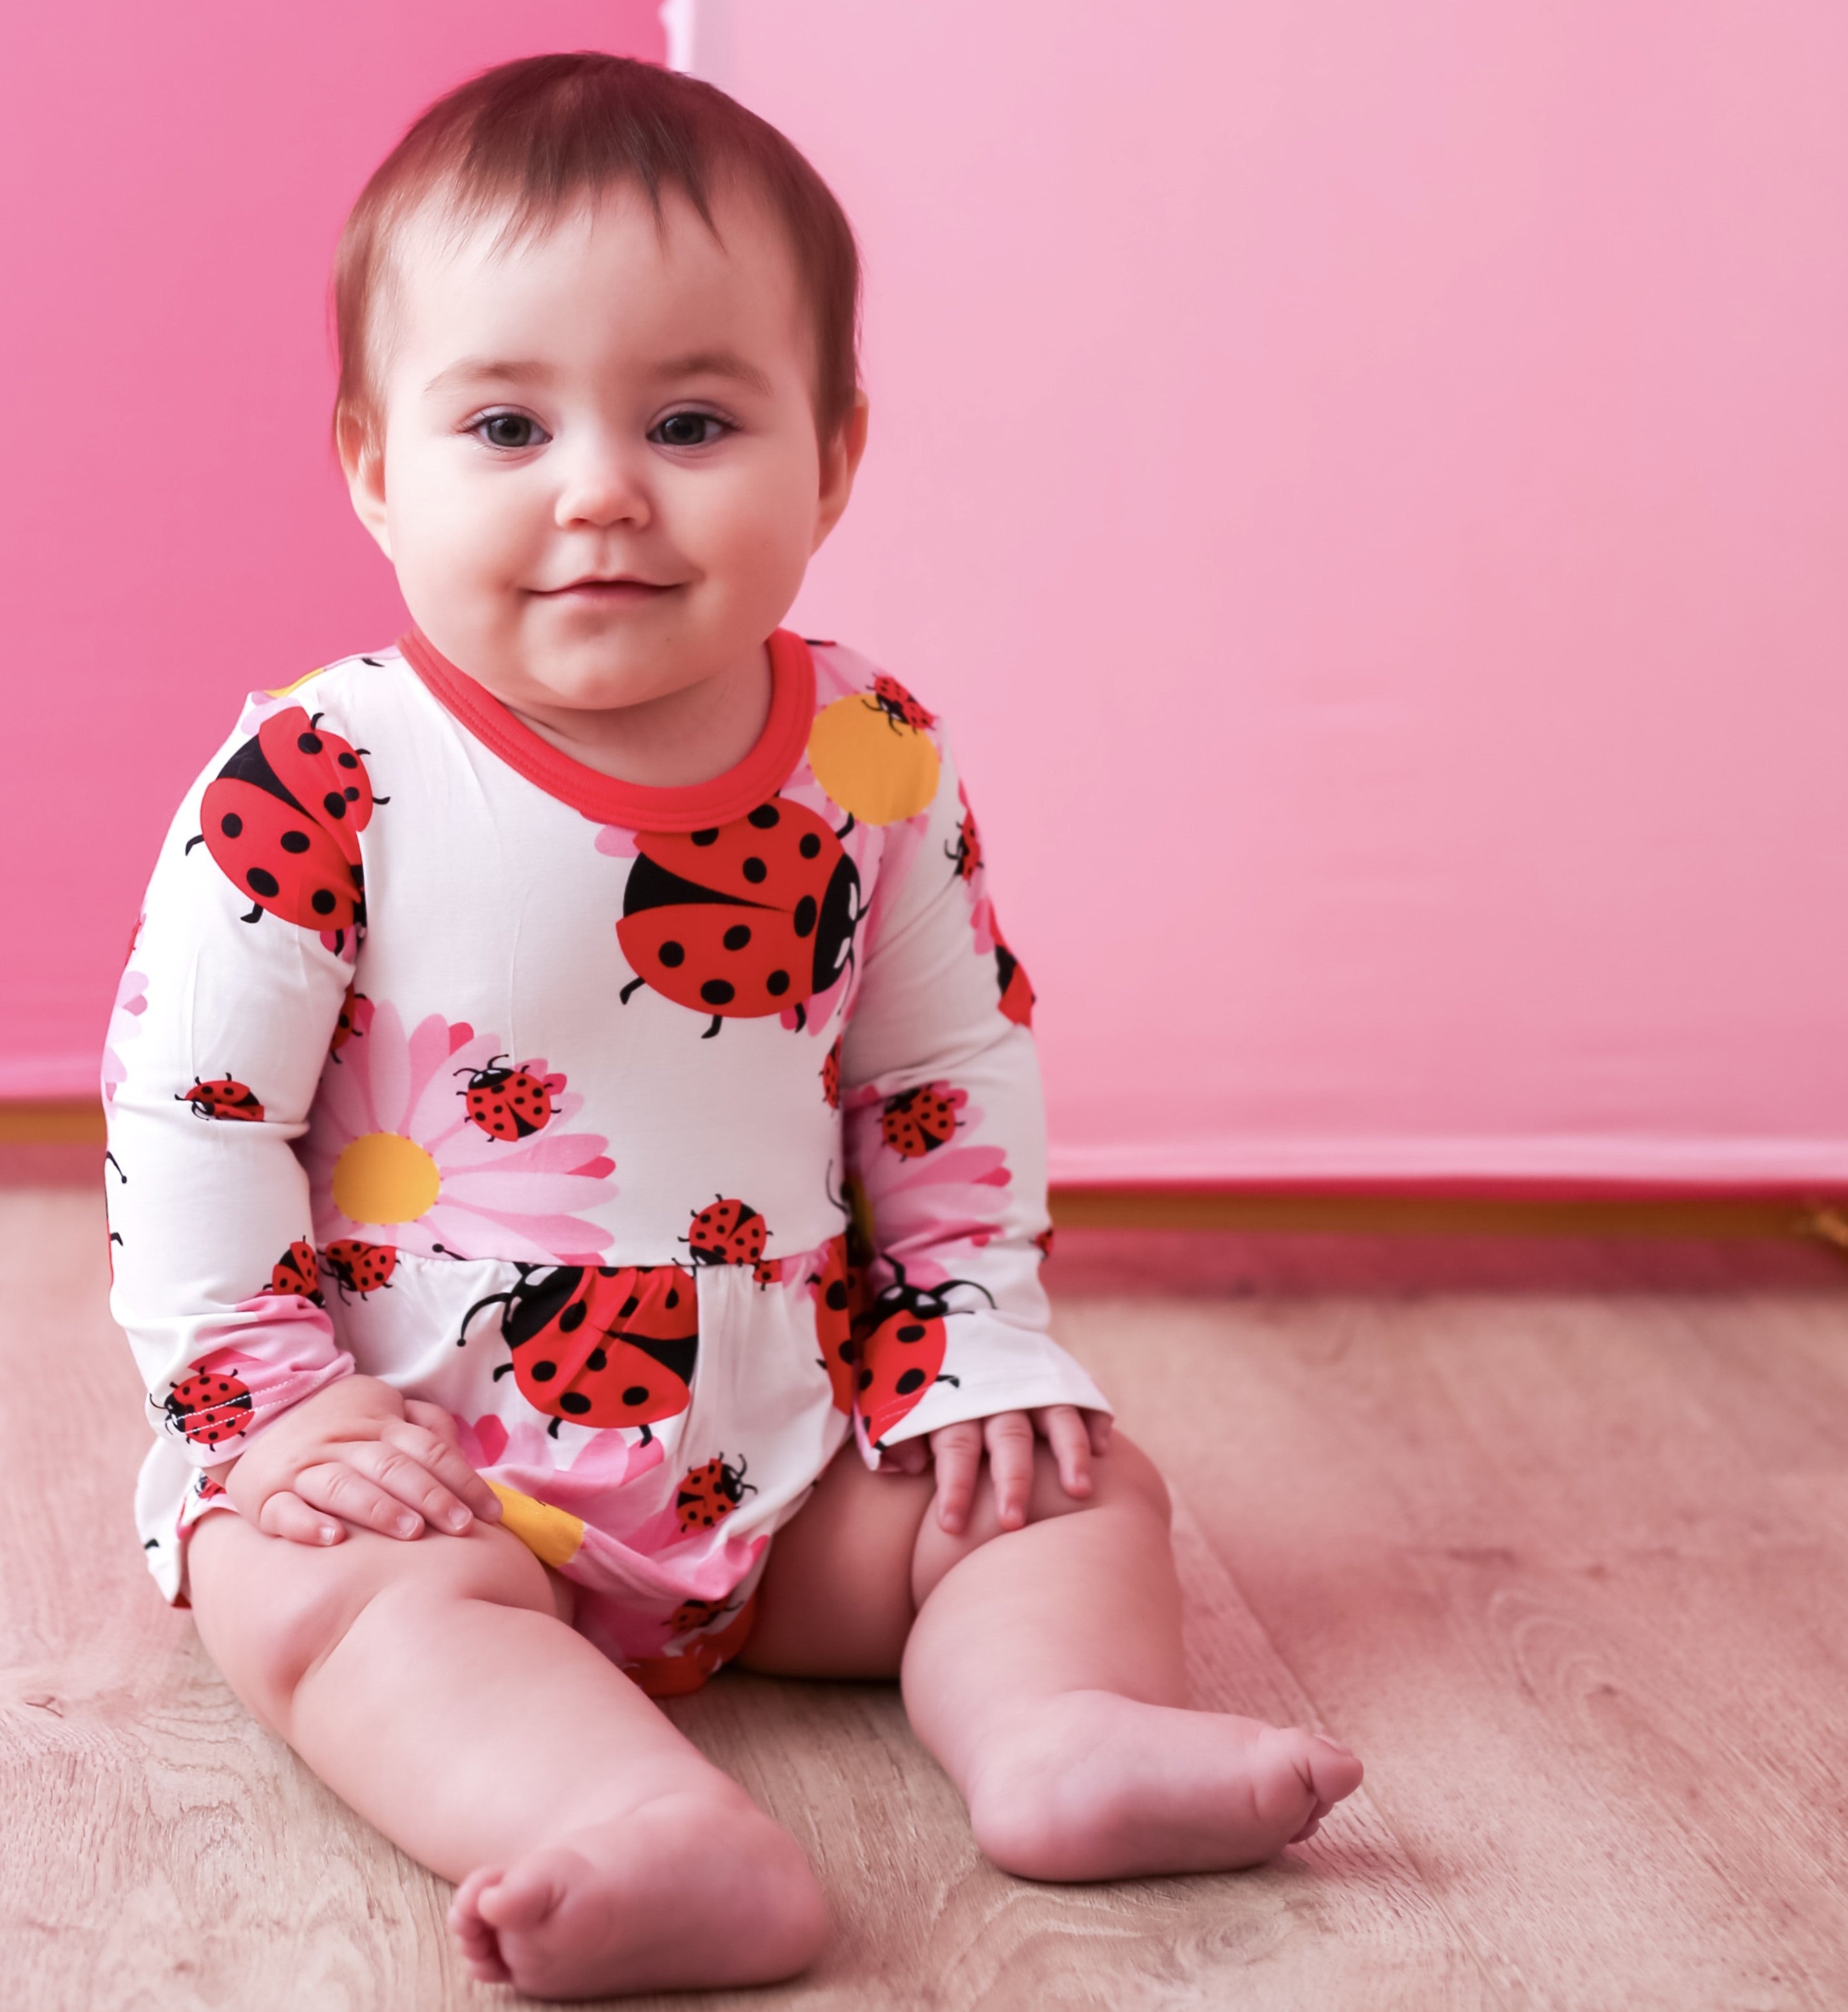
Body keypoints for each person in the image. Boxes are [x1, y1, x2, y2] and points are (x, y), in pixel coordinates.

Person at [102, 53, 1362, 2000]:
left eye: (689, 418)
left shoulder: (869, 750)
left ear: (834, 459)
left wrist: (965, 1340)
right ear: (372, 466)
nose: (600, 487)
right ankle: (634, 1825)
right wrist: (278, 1414)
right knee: (335, 1600)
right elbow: (189, 1113)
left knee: (1063, 1485)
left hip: (781, 1436)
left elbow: (939, 1066)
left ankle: (1056, 1726)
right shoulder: (322, 772)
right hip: (431, 1441)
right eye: (508, 423)